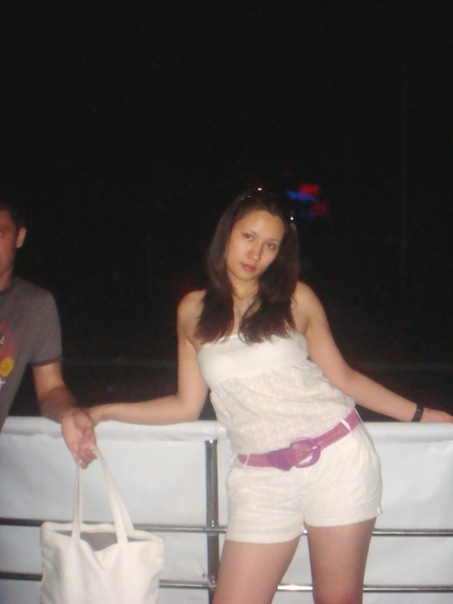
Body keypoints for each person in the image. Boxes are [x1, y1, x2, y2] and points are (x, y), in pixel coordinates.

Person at [86, 188, 452, 604]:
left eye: (271, 245)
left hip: (336, 459)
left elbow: (344, 377)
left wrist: (422, 415)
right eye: (248, 236)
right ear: (226, 234)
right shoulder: (192, 310)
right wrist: (102, 411)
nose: (256, 253)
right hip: (260, 478)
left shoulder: (296, 297)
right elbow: (186, 404)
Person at [0, 194, 96, 468]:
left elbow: (51, 389)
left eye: (0, 234)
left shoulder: (34, 306)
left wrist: (69, 414)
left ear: (19, 237)